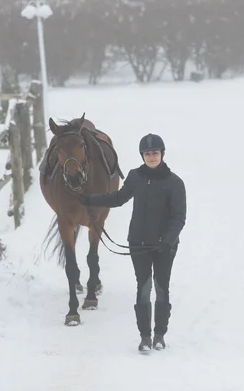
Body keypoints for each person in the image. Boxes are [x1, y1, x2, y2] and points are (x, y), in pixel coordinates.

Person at [78, 133, 187, 352]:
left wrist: (166, 241)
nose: (151, 157)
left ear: (162, 154)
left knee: (162, 288)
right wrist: (90, 199)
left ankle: (160, 335)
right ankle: (145, 336)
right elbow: (118, 198)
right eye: (147, 154)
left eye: (155, 153)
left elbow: (179, 218)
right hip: (139, 243)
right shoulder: (135, 177)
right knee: (144, 287)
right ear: (142, 156)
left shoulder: (175, 183)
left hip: (165, 246)